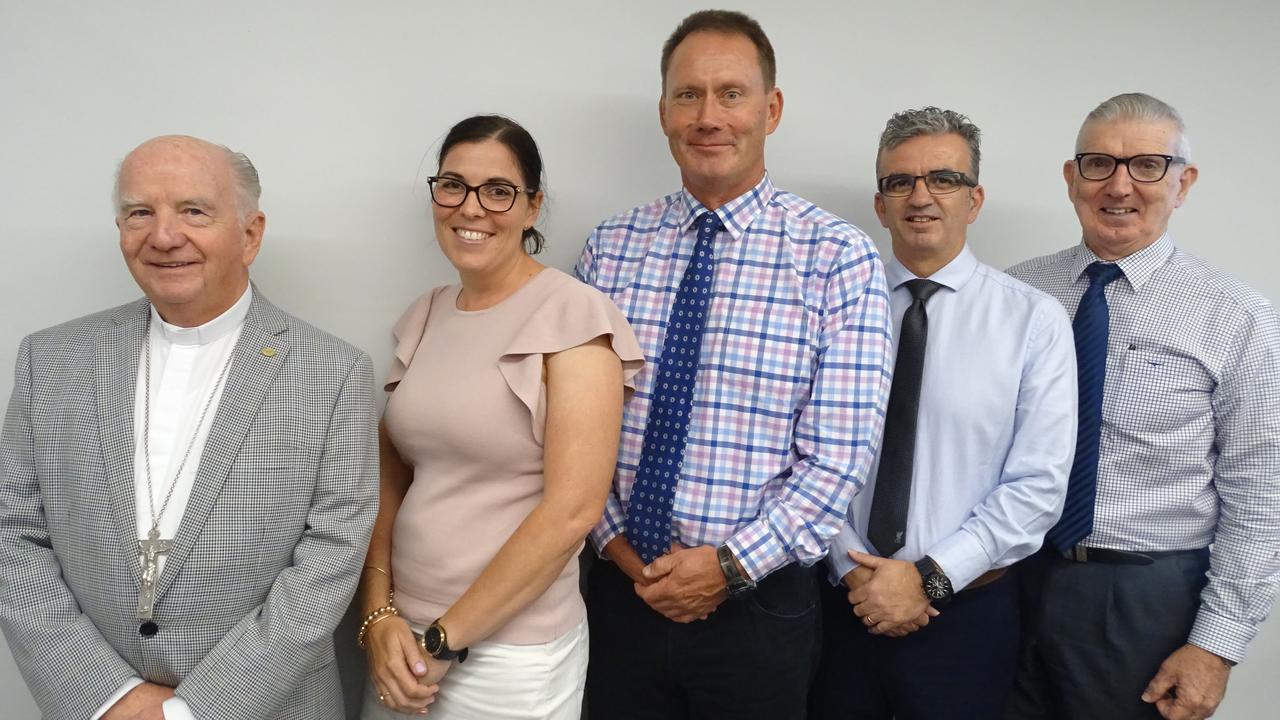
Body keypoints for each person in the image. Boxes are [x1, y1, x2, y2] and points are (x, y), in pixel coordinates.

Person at [576, 10, 893, 719]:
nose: (708, 115)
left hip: (758, 610)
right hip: (619, 593)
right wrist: (620, 549)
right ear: (663, 112)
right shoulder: (610, 248)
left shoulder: (836, 257)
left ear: (770, 109)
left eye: (731, 93)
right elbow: (574, 430)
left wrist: (727, 566)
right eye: (688, 95)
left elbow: (839, 456)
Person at [0, 135, 379, 719]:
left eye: (194, 211)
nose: (164, 236)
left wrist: (193, 712)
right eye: (139, 213)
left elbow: (332, 555)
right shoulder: (51, 359)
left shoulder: (333, 370)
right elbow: (12, 534)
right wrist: (108, 696)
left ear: (250, 234)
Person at [357, 114, 642, 719]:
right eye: (453, 185)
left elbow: (572, 512)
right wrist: (378, 612)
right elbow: (391, 476)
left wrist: (444, 639)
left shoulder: (575, 317)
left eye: (498, 190)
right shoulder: (426, 315)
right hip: (401, 638)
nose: (471, 207)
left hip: (510, 658)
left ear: (533, 206)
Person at [1006, 92, 1280, 720]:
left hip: (1144, 598)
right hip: (1010, 579)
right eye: (1099, 164)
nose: (1120, 184)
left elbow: (1260, 489)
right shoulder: (1019, 291)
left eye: (1148, 165)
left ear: (1184, 183)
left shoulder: (1235, 314)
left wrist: (1216, 646)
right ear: (1072, 179)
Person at [808, 107, 1076, 720]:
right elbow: (800, 452)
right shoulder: (833, 309)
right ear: (879, 204)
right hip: (839, 607)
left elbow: (1037, 486)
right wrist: (856, 573)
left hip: (968, 617)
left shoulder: (1032, 321)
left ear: (974, 198)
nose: (920, 196)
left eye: (943, 179)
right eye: (899, 181)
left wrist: (927, 579)